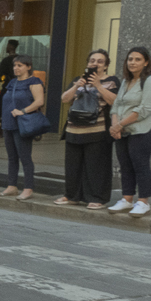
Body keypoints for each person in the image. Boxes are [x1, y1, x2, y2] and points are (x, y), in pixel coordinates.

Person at [58, 49, 119, 209]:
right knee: (73, 166)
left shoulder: (112, 81)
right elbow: (64, 99)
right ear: (87, 64)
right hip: (74, 130)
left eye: (100, 61)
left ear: (105, 66)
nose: (95, 64)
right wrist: (76, 85)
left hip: (97, 131)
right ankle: (72, 196)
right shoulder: (78, 80)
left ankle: (97, 198)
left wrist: (98, 85)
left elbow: (116, 101)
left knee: (96, 167)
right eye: (92, 61)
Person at [107, 47, 151, 217]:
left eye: (138, 59)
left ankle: (143, 202)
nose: (133, 62)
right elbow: (116, 105)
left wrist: (119, 125)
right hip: (124, 129)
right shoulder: (126, 81)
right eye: (130, 59)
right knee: (125, 164)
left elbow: (145, 109)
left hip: (144, 128)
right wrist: (115, 124)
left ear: (146, 62)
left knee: (140, 163)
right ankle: (127, 199)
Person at [0, 54, 45, 201]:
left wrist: (23, 111)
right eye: (14, 65)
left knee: (25, 157)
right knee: (12, 157)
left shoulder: (34, 81)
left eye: (20, 65)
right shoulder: (12, 82)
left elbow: (39, 101)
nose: (16, 68)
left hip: (23, 124)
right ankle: (12, 186)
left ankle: (28, 188)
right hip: (8, 123)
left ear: (28, 67)